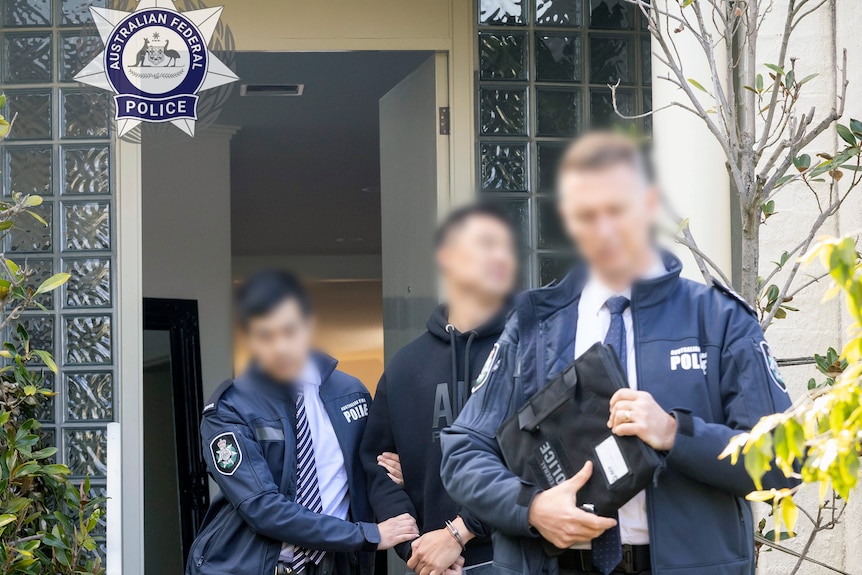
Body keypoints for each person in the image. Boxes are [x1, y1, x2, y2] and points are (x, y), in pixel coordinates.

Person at [440, 132, 796, 575]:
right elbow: (463, 451)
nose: (603, 229)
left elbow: (785, 462)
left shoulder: (719, 320)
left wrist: (673, 433)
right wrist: (531, 508)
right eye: (587, 214)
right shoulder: (532, 324)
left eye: (616, 210)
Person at [185, 270, 421, 575]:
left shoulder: (352, 394)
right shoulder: (229, 409)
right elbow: (262, 508)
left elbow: (371, 470)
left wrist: (401, 476)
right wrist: (367, 535)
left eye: (289, 331)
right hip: (244, 567)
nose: (280, 346)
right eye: (266, 335)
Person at [360, 204, 519, 575]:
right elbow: (377, 466)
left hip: (518, 561)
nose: (498, 256)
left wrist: (457, 534)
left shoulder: (531, 352)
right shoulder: (404, 367)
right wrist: (416, 547)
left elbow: (536, 462)